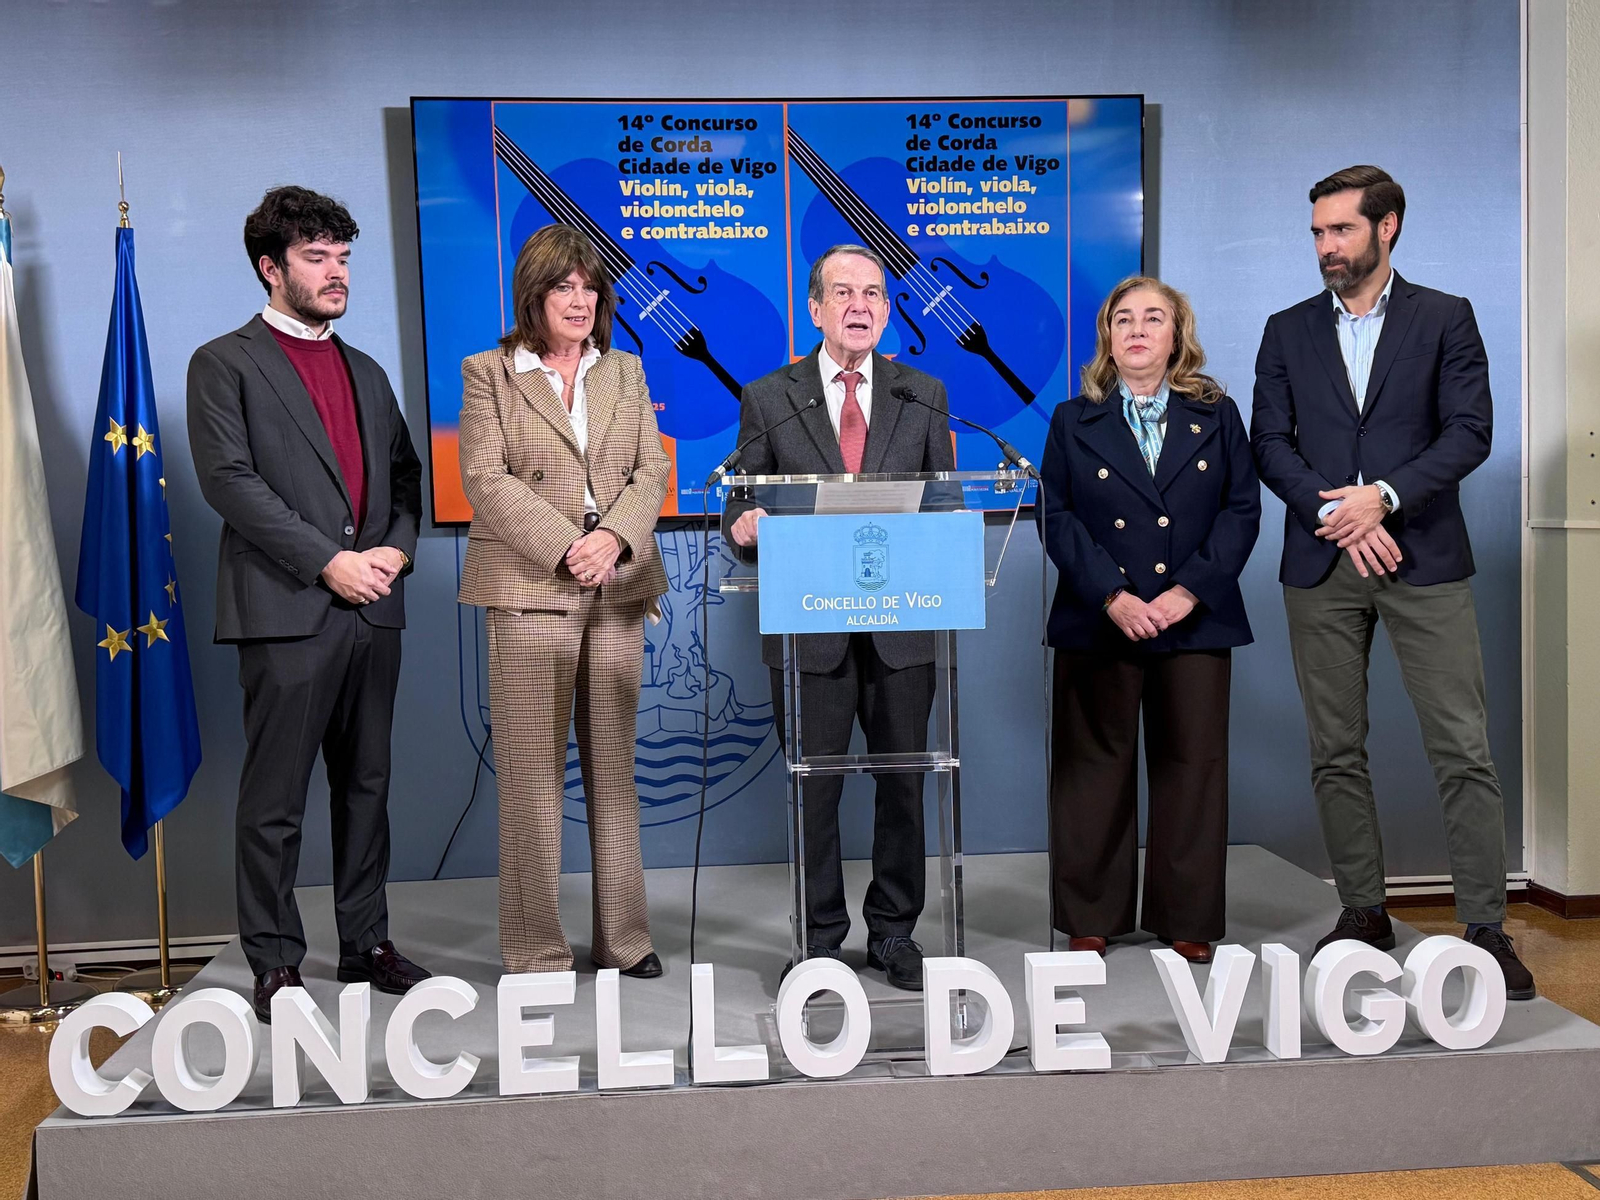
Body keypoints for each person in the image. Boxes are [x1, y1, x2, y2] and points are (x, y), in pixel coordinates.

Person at [1250, 165, 1534, 999]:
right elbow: (1271, 441)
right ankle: (1365, 911)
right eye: (1316, 233)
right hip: (1322, 560)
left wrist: (1383, 499)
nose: (1325, 247)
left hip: (1424, 558)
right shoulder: (1286, 329)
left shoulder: (1447, 318)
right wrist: (1338, 514)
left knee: (1462, 749)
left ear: (1389, 227)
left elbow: (1470, 432)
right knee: (1335, 749)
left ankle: (1486, 926)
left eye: (1340, 230)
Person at [188, 186, 428, 1022]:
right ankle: (276, 963)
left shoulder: (366, 370)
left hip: (375, 608)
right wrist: (331, 562)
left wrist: (393, 551)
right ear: (271, 266)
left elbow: (406, 478)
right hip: (288, 607)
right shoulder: (224, 363)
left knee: (367, 787)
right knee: (276, 799)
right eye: (317, 258)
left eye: (344, 258)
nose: (336, 273)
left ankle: (366, 945)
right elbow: (229, 483)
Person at [721, 244, 955, 991]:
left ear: (888, 310)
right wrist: (740, 522)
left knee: (904, 788)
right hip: (808, 630)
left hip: (903, 632)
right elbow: (737, 493)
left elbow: (945, 503)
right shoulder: (768, 397)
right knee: (812, 792)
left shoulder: (923, 392)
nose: (861, 306)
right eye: (844, 293)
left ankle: (893, 933)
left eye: (875, 294)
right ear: (815, 309)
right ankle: (819, 940)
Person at [457, 224, 670, 977]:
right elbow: (484, 477)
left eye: (589, 287)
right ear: (534, 294)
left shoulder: (627, 372)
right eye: (563, 287)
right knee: (531, 779)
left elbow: (651, 473)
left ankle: (627, 939)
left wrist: (609, 540)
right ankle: (537, 949)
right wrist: (566, 545)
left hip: (615, 582)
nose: (579, 300)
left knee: (614, 773)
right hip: (528, 584)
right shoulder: (489, 372)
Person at [1039, 276, 1259, 964]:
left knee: (1191, 768)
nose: (1137, 330)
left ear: (1176, 335)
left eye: (1153, 319)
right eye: (1123, 319)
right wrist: (1112, 594)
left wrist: (1189, 591)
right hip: (1100, 616)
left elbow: (1241, 511)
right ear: (1108, 336)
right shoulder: (1073, 420)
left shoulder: (1217, 415)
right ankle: (1092, 917)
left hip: (1193, 617)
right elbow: (1058, 515)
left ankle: (1186, 916)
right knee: (1091, 769)